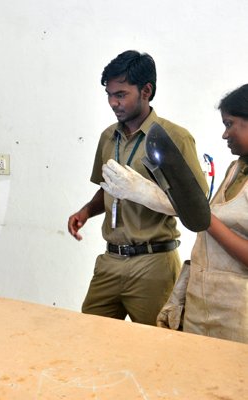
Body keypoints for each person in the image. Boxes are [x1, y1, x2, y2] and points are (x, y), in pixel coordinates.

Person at [67, 50, 208, 325]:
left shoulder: (174, 138)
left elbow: (198, 207)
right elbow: (108, 188)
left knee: (158, 348)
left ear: (146, 90)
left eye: (121, 94)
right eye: (109, 95)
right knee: (89, 337)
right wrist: (85, 212)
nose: (113, 102)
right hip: (111, 259)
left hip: (153, 263)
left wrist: (145, 191)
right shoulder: (109, 136)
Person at [157, 84, 248, 343]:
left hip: (239, 313)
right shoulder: (235, 168)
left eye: (230, 124)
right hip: (206, 302)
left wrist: (205, 219)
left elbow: (212, 224)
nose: (224, 134)